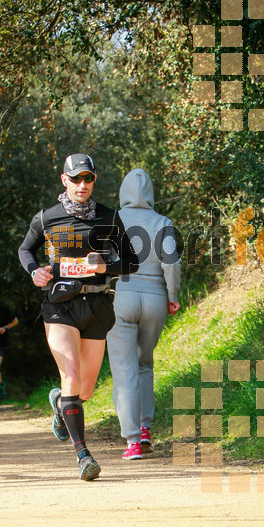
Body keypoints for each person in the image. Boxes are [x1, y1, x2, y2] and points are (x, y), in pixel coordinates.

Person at [18, 153, 138, 480]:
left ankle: (61, 405)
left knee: (83, 390)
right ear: (64, 180)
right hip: (59, 306)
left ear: (94, 180)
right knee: (69, 372)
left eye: (88, 179)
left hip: (97, 306)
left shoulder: (109, 218)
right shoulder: (47, 218)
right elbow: (25, 250)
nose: (82, 185)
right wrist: (34, 272)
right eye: (75, 179)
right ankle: (83, 455)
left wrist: (105, 267)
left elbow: (132, 261)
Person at [107, 168, 181, 460]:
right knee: (144, 365)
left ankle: (133, 441)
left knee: (124, 370)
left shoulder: (112, 220)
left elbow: (101, 261)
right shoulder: (163, 222)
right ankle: (146, 429)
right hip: (155, 299)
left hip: (121, 297)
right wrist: (172, 297)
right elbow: (172, 264)